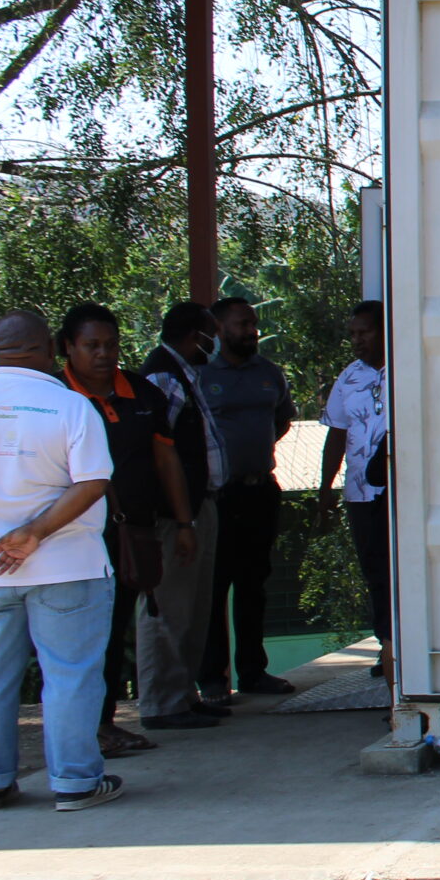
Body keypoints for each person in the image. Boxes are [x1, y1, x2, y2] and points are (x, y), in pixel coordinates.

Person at [0, 311, 123, 810]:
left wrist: (12, 532)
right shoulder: (69, 406)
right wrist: (36, 531)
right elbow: (92, 481)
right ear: (49, 347)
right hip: (68, 564)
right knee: (69, 673)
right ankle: (75, 783)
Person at [58, 304, 200, 750]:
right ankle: (83, 733)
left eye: (111, 345)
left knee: (114, 628)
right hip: (64, 539)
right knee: (73, 639)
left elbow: (165, 459)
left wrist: (183, 522)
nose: (103, 354)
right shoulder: (54, 396)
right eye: (91, 346)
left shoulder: (142, 394)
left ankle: (103, 724)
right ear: (68, 348)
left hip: (126, 537)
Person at [198, 296, 296, 697]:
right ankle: (212, 680)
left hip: (260, 492)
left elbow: (281, 420)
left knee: (254, 583)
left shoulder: (269, 372)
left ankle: (253, 672)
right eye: (241, 324)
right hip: (219, 497)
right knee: (215, 586)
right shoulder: (202, 375)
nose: (251, 330)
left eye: (253, 323)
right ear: (219, 329)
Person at [138, 302, 230, 723]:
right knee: (168, 605)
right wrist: (179, 518)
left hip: (198, 506)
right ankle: (161, 702)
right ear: (197, 334)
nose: (215, 342)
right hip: (177, 516)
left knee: (194, 606)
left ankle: (184, 692)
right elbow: (158, 454)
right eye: (211, 333)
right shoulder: (162, 377)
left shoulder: (185, 373)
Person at [319, 301, 392, 669]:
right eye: (352, 334)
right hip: (361, 493)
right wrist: (324, 489)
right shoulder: (349, 377)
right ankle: (387, 647)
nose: (357, 340)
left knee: (404, 570)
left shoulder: (406, 365)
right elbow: (336, 433)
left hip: (402, 492)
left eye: (364, 332)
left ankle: (408, 644)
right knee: (376, 572)